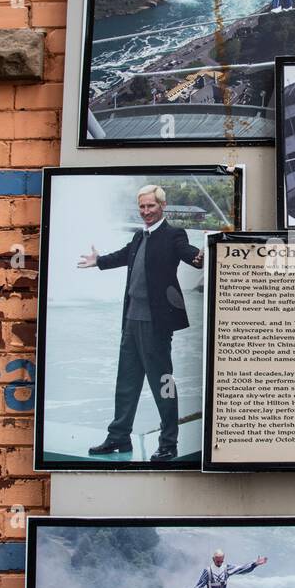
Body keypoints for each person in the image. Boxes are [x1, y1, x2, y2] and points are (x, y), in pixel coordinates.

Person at [78, 184, 203, 464]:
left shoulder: (174, 235)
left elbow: (187, 252)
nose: (146, 211)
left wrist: (198, 257)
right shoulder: (138, 237)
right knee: (126, 383)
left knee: (163, 383)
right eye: (143, 207)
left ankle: (168, 443)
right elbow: (122, 256)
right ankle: (119, 437)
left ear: (162, 206)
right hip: (131, 321)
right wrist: (98, 261)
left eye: (151, 206)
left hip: (156, 324)